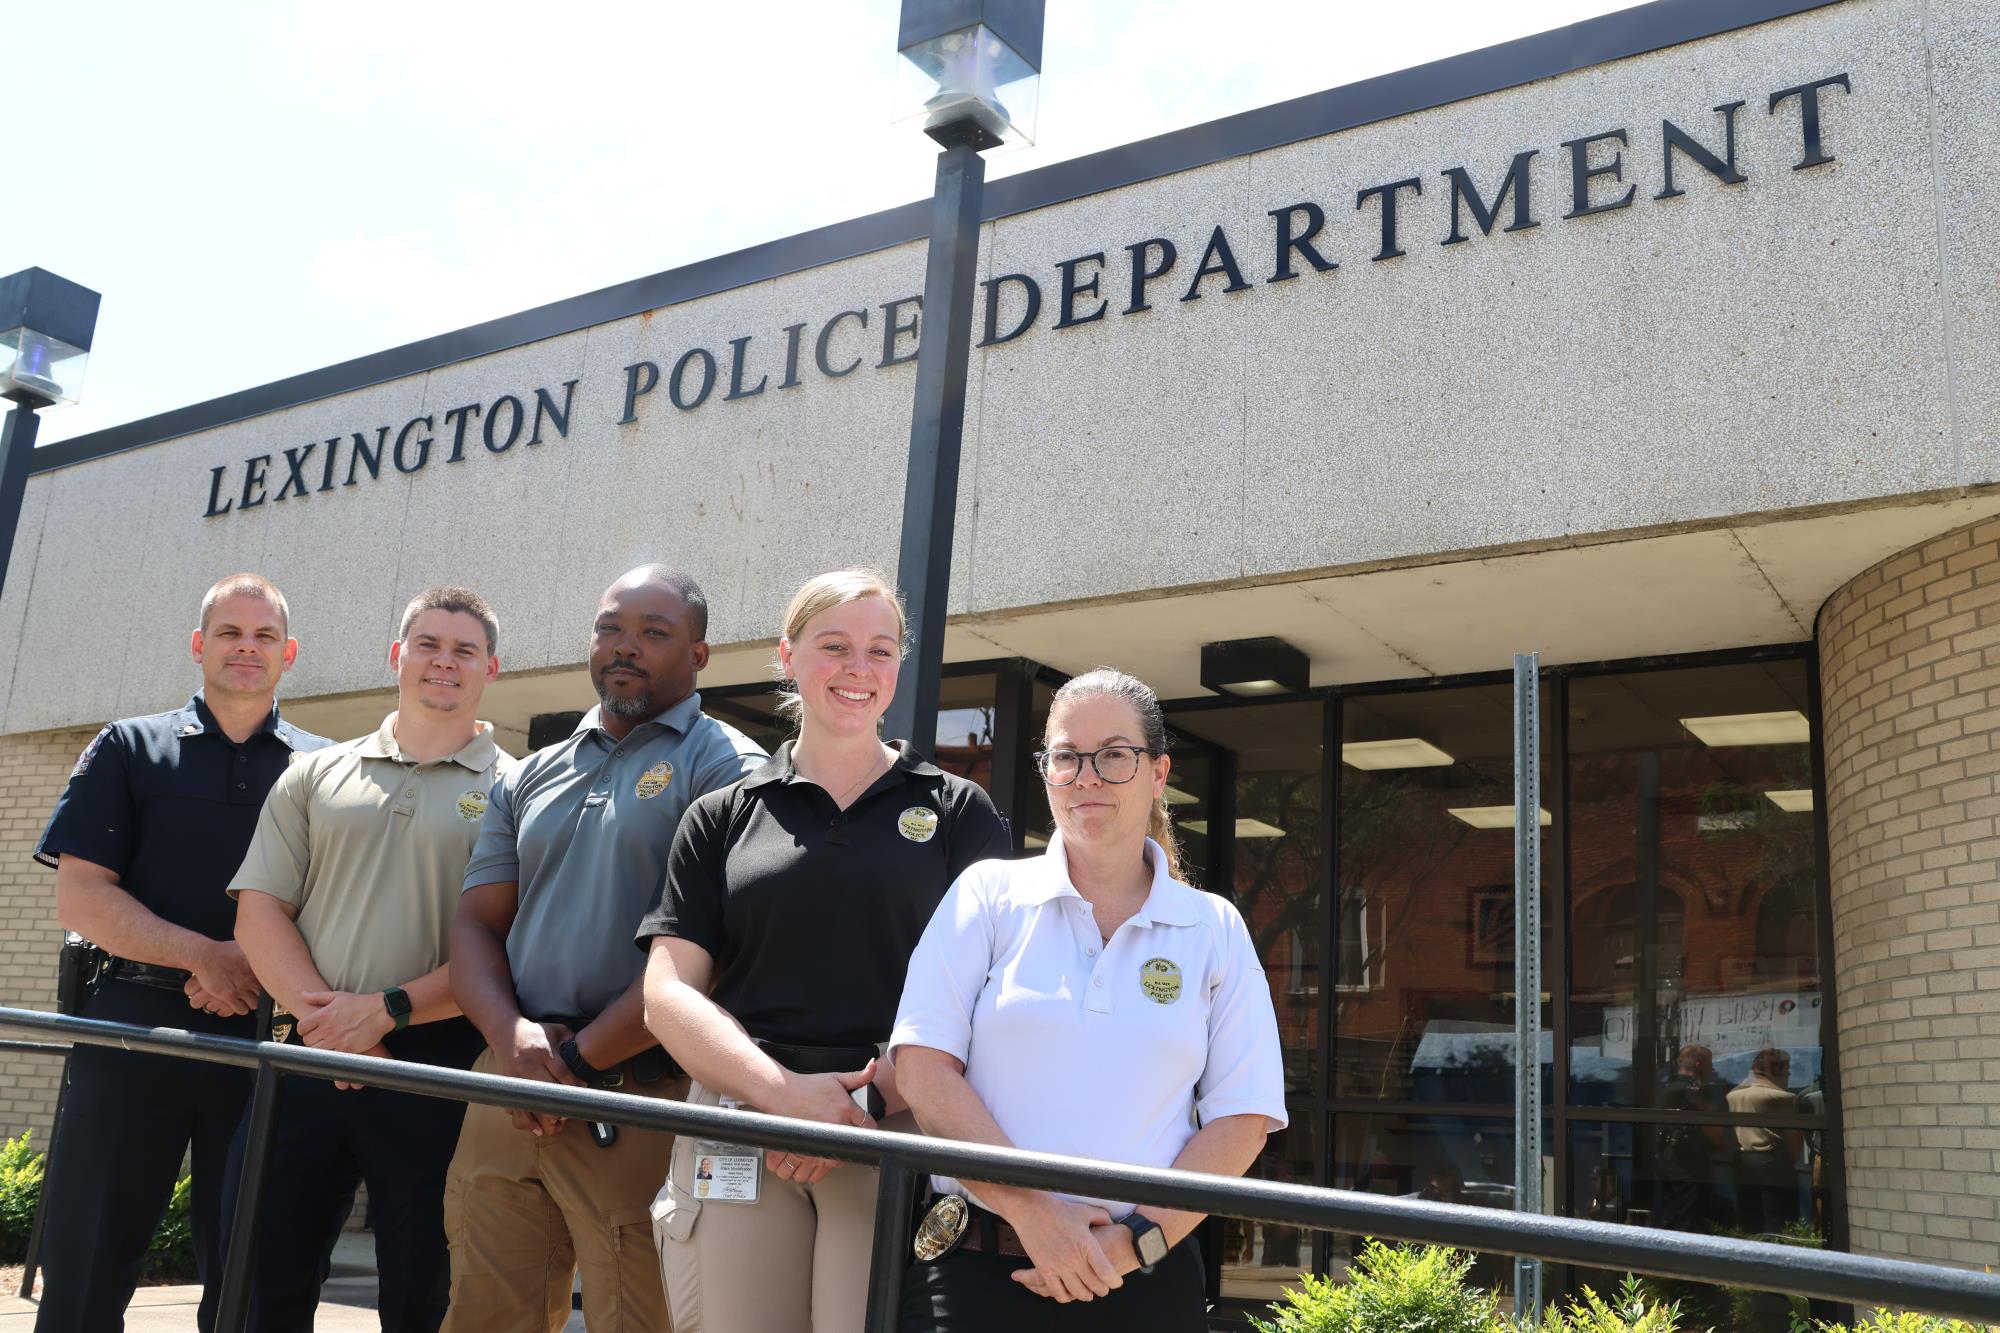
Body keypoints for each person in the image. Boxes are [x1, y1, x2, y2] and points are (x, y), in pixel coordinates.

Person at [638, 569, 1011, 1333]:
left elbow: (993, 993)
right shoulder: (722, 815)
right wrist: (785, 1097)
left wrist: (858, 1104)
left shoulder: (957, 810)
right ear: (788, 655)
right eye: (834, 645)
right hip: (744, 1120)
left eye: (880, 650)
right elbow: (667, 993)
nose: (859, 669)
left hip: (890, 1127)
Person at [891, 668, 1286, 1333]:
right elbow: (923, 1069)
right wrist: (1034, 1211)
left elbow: (1242, 1118)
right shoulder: (987, 895)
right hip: (980, 1271)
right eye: (1067, 756)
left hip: (1144, 1278)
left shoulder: (1211, 927)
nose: (1087, 775)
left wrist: (1132, 1242)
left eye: (1114, 754)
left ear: (1158, 772)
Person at [444, 566, 765, 1332]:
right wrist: (511, 1039)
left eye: (655, 633)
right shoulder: (529, 774)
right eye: (610, 628)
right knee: (483, 1316)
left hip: (641, 1095)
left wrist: (580, 1061)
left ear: (701, 654)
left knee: (641, 1317)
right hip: (511, 1087)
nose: (626, 647)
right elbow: (474, 925)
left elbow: (718, 948)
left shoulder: (730, 769)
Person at [29, 574, 328, 1333]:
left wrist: (254, 970)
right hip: (132, 1028)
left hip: (264, 1037)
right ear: (200, 645)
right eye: (230, 632)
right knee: (87, 1262)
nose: (246, 648)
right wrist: (205, 955)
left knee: (253, 1274)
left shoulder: (325, 768)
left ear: (288, 654)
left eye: (264, 636)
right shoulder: (129, 746)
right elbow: (83, 896)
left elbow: (336, 906)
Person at [227, 587, 512, 1333]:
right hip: (305, 1051)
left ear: (492, 669)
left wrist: (386, 1014)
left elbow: (509, 943)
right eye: (427, 644)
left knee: (424, 1286)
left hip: (439, 1066)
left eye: (463, 650)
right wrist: (333, 1023)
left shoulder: (520, 789)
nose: (442, 663)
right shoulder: (316, 773)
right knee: (261, 1275)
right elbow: (259, 910)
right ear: (397, 655)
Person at [1728, 1048, 1802, 1234]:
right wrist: (1786, 1161)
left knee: (1750, 1215)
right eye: (1786, 1068)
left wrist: (1756, 1072)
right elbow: (1794, 1138)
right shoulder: (1781, 1098)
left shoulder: (1734, 1095)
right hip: (1772, 1160)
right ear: (1778, 1070)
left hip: (1743, 1160)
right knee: (1778, 1216)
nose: (1790, 1072)